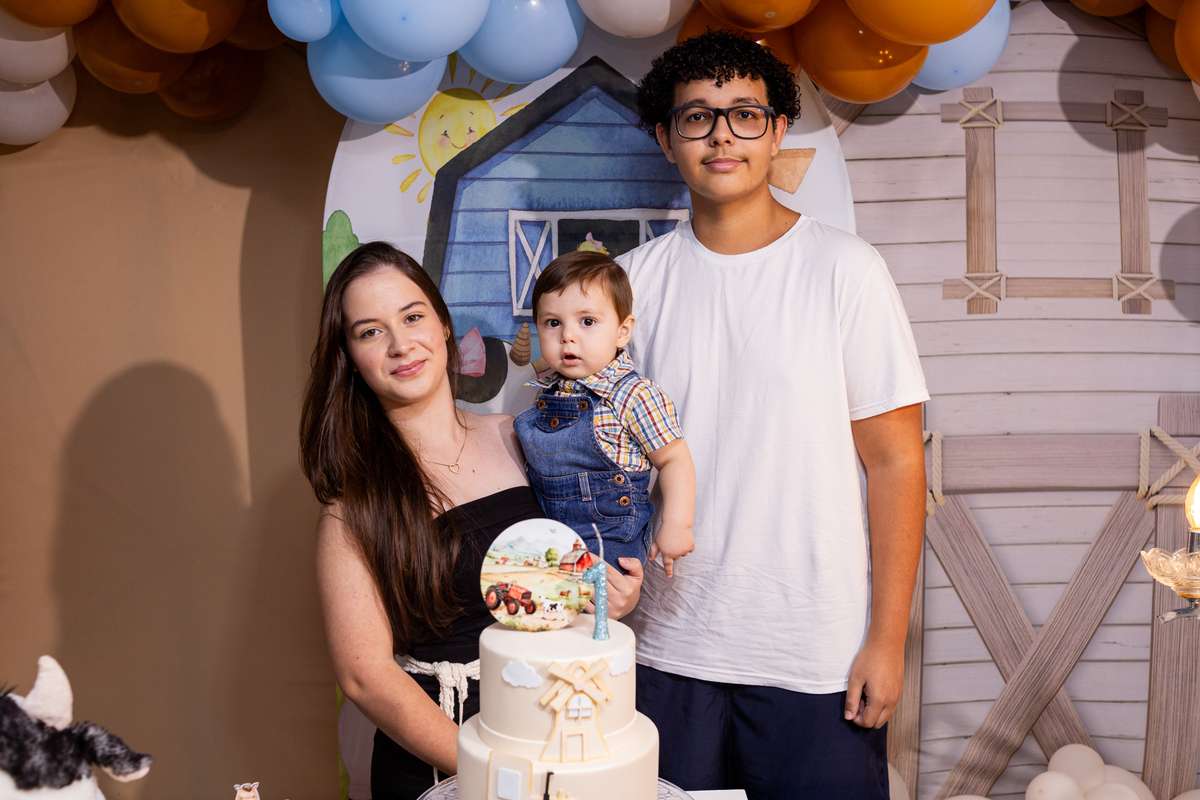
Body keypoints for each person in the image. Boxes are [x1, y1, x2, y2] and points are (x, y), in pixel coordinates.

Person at [617, 31, 930, 799]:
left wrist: (888, 641)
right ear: (666, 139)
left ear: (778, 131)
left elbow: (896, 462)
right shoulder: (627, 289)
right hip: (666, 649)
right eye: (697, 116)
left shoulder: (846, 269)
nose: (722, 135)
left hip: (815, 654)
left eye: (745, 114)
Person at [299, 242, 645, 800]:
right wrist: (500, 773)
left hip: (557, 737)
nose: (400, 344)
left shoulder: (523, 436)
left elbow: (571, 563)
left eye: (412, 317)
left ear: (442, 325)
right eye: (370, 331)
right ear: (350, 355)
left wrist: (607, 595)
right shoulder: (352, 508)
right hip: (446, 765)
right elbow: (366, 677)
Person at [515, 250, 697, 576]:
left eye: (587, 322)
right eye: (553, 323)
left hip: (608, 541)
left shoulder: (633, 394)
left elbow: (674, 459)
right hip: (552, 542)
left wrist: (677, 524)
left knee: (591, 605)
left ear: (622, 331)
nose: (567, 336)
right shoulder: (547, 394)